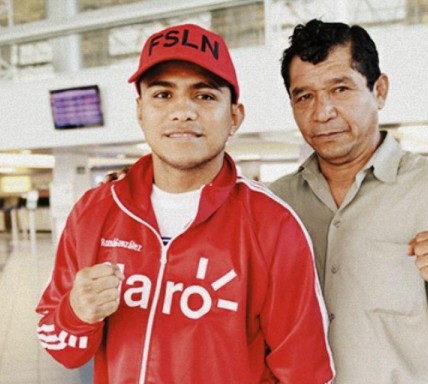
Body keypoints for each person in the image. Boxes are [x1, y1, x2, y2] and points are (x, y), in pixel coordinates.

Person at [36, 24, 334, 384]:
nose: (183, 111)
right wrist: (76, 313)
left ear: (234, 116)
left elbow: (305, 371)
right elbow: (62, 349)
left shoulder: (272, 225)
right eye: (163, 95)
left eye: (205, 96)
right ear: (140, 111)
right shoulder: (95, 211)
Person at [269, 19, 428, 383]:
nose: (321, 112)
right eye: (304, 96)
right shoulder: (278, 203)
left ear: (379, 90)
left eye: (340, 89)